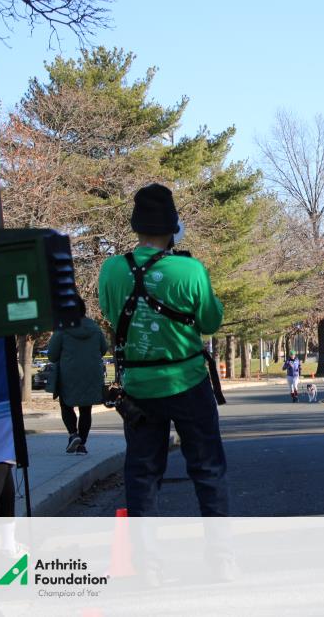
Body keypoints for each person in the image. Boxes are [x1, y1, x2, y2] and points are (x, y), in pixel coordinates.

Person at [98, 183, 228, 517]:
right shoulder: (190, 269)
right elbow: (210, 321)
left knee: (142, 475)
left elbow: (111, 314)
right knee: (207, 469)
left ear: (136, 226)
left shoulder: (111, 269)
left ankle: (144, 551)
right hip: (188, 380)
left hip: (138, 387)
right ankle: (219, 547)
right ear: (173, 229)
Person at [47, 297, 109, 455]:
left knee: (66, 405)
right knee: (86, 409)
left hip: (68, 374)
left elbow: (52, 355)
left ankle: (73, 434)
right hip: (92, 374)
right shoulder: (94, 327)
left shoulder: (63, 329)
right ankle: (82, 444)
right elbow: (103, 349)